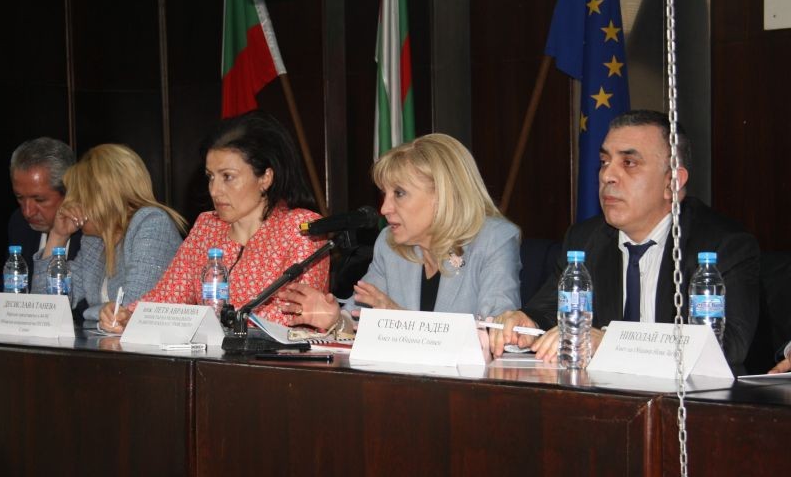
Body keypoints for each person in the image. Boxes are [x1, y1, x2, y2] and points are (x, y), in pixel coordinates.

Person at [490, 110, 759, 366]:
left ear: (672, 183)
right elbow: (548, 310)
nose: (607, 175)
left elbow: (727, 345)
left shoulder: (722, 245)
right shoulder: (585, 239)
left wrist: (612, 343)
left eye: (629, 163)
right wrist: (526, 323)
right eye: (604, 162)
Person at [99, 110, 329, 331]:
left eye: (228, 177)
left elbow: (292, 316)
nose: (214, 190)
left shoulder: (303, 230)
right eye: (210, 177)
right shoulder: (207, 227)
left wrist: (199, 323)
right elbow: (167, 296)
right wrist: (129, 315)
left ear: (265, 178)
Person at [278, 133, 521, 333]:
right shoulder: (389, 244)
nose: (385, 208)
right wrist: (335, 320)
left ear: (442, 195)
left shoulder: (494, 240)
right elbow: (357, 316)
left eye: (399, 194)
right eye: (385, 194)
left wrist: (401, 319)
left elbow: (497, 332)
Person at [31, 144, 186, 321]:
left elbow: (132, 309)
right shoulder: (93, 240)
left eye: (78, 195)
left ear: (103, 197)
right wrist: (58, 236)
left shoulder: (152, 223)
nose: (70, 203)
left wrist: (89, 313)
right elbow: (45, 308)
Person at [0, 138, 82, 301]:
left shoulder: (91, 231)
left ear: (69, 192)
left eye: (40, 200)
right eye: (20, 198)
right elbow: (6, 294)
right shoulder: (19, 223)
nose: (28, 212)